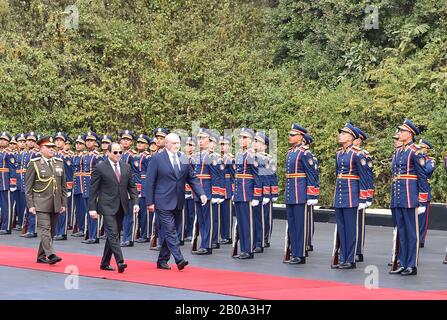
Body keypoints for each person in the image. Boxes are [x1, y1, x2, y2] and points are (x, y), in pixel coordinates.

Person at [145, 133, 206, 271]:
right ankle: (179, 259)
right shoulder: (157, 159)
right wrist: (150, 202)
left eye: (178, 143)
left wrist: (201, 193)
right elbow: (150, 182)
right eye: (173, 143)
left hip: (178, 201)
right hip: (162, 201)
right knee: (171, 231)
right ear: (166, 144)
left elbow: (192, 178)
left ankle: (162, 260)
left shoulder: (183, 158)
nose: (176, 146)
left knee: (172, 231)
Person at [88, 142, 139, 273]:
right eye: (115, 152)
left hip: (122, 206)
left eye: (120, 152)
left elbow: (132, 187)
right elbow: (93, 190)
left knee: (113, 234)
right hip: (106, 206)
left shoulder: (126, 167)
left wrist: (136, 203)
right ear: (108, 153)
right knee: (113, 233)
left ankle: (104, 262)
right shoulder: (100, 167)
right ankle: (120, 261)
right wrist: (92, 208)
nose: (118, 155)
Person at [332, 123, 369, 269]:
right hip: (340, 194)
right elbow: (337, 174)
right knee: (341, 228)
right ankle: (342, 258)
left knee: (351, 228)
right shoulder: (339, 153)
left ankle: (350, 258)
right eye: (340, 133)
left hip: (352, 194)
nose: (340, 135)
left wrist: (363, 198)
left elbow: (364, 176)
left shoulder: (357, 154)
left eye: (343, 133)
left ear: (351, 137)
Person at [25, 136, 67, 264]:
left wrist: (63, 203)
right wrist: (31, 205)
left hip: (55, 202)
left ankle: (40, 256)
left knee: (52, 231)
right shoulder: (35, 163)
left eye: (52, 147)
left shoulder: (59, 163)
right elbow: (28, 187)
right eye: (48, 147)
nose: (51, 149)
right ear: (41, 148)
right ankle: (51, 255)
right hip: (40, 202)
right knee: (45, 229)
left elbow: (63, 186)